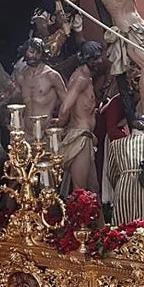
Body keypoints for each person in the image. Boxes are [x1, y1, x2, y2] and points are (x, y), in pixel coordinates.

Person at [55, 41, 104, 196]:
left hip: (87, 137)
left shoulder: (87, 79)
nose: (100, 62)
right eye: (95, 58)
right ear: (86, 59)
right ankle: (79, 220)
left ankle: (96, 221)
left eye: (99, 57)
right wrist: (59, 126)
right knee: (80, 189)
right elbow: (65, 108)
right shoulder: (80, 80)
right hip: (79, 138)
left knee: (93, 188)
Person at [11, 38, 66, 128]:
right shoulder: (21, 76)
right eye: (31, 52)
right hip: (25, 131)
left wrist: (61, 121)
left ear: (42, 55)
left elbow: (67, 102)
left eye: (38, 53)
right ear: (25, 52)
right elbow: (17, 102)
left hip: (45, 131)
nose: (34, 56)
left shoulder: (51, 76)